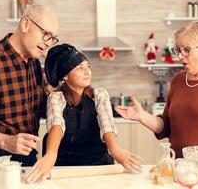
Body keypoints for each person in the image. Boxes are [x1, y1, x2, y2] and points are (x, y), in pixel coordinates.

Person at [115, 21, 198, 159]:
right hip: (180, 167)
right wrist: (142, 116)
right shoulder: (177, 81)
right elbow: (166, 125)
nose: (180, 56)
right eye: (177, 50)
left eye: (186, 50)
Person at [0, 5, 59, 178]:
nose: (48, 43)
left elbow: (39, 107)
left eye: (53, 38)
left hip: (29, 155)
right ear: (25, 25)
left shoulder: (34, 63)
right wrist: (5, 141)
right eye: (46, 34)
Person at [26, 44, 142, 183]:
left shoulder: (99, 95)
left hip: (99, 165)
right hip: (64, 168)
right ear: (65, 76)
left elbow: (106, 125)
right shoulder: (56, 98)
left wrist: (115, 149)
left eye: (88, 66)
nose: (87, 72)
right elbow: (56, 124)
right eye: (80, 68)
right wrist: (51, 155)